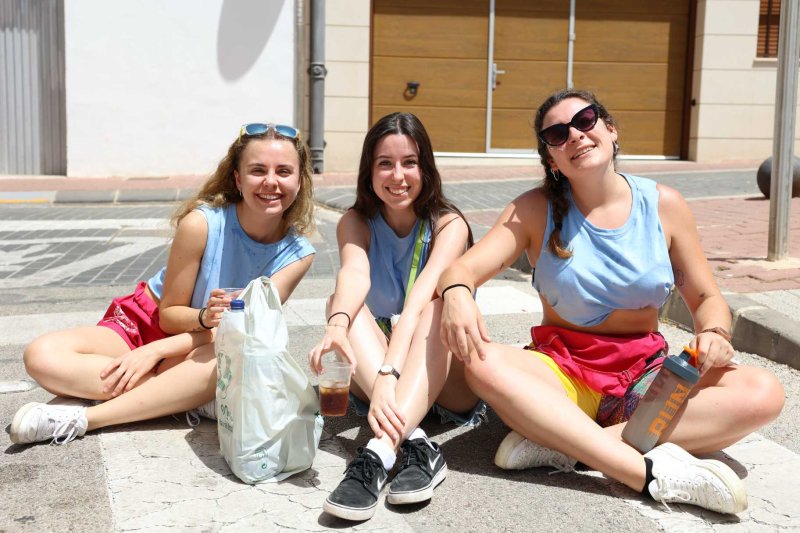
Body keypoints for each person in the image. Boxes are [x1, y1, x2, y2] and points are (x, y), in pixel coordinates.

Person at [436, 89, 785, 515]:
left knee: (761, 391)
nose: (576, 136)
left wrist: (713, 332)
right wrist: (457, 294)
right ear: (552, 160)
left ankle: (567, 443)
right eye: (557, 134)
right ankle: (649, 472)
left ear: (610, 129)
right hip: (561, 375)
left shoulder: (665, 206)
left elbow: (707, 297)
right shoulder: (533, 210)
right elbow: (461, 270)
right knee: (482, 363)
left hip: (646, 376)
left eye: (585, 121)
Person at [10, 123, 316, 445]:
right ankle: (183, 396)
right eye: (257, 170)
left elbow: (244, 332)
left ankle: (86, 418)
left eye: (284, 171)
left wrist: (157, 353)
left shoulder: (298, 255)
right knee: (41, 354)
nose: (271, 182)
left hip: (209, 349)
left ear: (299, 181)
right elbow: (169, 315)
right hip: (146, 325)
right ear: (238, 178)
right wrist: (175, 334)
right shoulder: (201, 223)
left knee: (234, 355)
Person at [308, 112, 483, 521]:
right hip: (381, 379)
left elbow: (420, 301)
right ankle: (416, 445)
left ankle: (379, 451)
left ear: (426, 168)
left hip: (443, 378)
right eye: (384, 163)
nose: (397, 175)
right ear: (369, 170)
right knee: (340, 302)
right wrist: (335, 327)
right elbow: (354, 273)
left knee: (437, 304)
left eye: (409, 162)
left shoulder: (448, 224)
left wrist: (388, 373)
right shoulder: (356, 222)